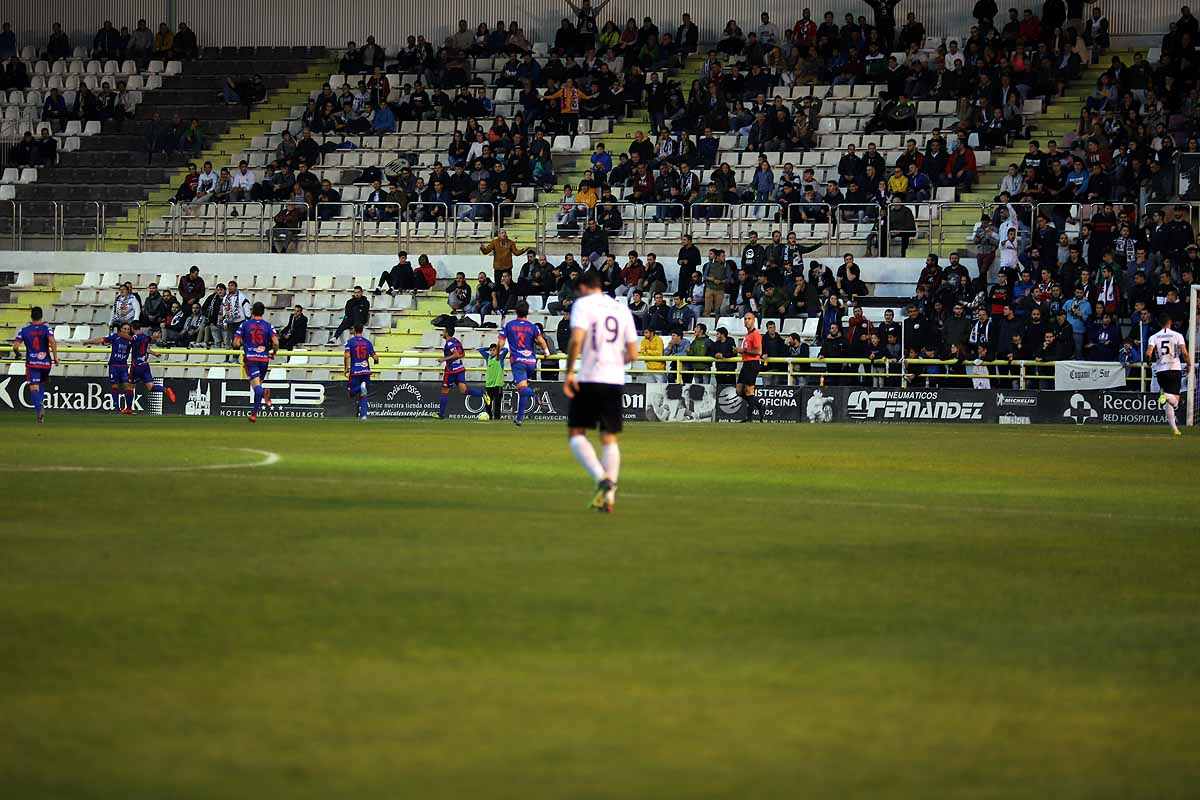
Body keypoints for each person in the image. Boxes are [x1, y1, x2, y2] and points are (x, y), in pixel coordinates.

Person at [562, 270, 638, 513]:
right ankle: (610, 499)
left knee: (576, 433)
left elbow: (576, 340)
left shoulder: (584, 305)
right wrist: (615, 362)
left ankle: (600, 477)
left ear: (583, 287)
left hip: (590, 377)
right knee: (609, 437)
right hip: (615, 379)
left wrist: (569, 372)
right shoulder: (621, 308)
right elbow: (633, 354)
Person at [498, 301, 549, 426]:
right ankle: (519, 418)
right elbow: (541, 341)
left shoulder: (509, 325)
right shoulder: (533, 327)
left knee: (522, 389)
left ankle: (534, 393)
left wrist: (498, 355)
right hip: (531, 362)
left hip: (518, 361)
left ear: (515, 311)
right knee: (523, 388)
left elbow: (500, 343)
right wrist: (546, 353)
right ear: (527, 312)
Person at [12, 307, 60, 424]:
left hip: (32, 363)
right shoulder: (47, 329)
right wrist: (55, 358)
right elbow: (52, 341)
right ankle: (41, 403)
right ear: (41, 316)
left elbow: (15, 346)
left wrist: (17, 354)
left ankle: (39, 408)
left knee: (34, 387)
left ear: (31, 316)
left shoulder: (23, 330)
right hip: (46, 363)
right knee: (42, 383)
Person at [1147, 313, 1192, 436]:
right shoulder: (1177, 335)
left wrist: (1149, 360)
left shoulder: (1154, 337)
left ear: (1159, 324)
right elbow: (1184, 352)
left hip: (1160, 371)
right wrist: (1189, 364)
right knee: (1175, 401)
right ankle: (1165, 395)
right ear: (1170, 322)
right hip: (1174, 368)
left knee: (1169, 404)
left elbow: (1149, 353)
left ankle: (1175, 429)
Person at [233, 302, 279, 423]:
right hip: (264, 359)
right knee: (257, 385)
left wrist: (246, 345)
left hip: (251, 359)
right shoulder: (268, 326)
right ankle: (255, 411)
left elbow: (236, 343)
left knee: (257, 387)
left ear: (252, 311)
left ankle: (256, 409)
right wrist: (273, 353)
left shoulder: (245, 325)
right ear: (263, 312)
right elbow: (276, 342)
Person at [435, 323, 487, 418]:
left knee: (445, 390)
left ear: (447, 333)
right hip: (460, 369)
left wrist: (444, 359)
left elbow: (456, 355)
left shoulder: (449, 343)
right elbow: (462, 354)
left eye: (444, 331)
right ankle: (482, 394)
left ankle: (441, 414)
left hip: (451, 371)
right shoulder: (456, 341)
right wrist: (454, 357)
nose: (442, 332)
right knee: (463, 390)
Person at [84, 323, 136, 414]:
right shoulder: (115, 336)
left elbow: (141, 347)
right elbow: (101, 339)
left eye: (128, 329)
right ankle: (117, 408)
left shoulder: (131, 340)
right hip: (114, 366)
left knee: (128, 386)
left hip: (123, 366)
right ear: (120, 330)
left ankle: (128, 408)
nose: (126, 331)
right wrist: (89, 342)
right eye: (124, 328)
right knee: (115, 386)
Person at [128, 321, 177, 408]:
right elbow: (146, 348)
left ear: (132, 328)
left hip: (136, 366)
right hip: (145, 365)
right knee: (151, 387)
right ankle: (166, 390)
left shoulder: (134, 338)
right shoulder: (145, 337)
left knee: (130, 387)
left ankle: (128, 409)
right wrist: (155, 353)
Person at [344, 325, 379, 421]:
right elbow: (376, 357)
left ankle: (360, 387)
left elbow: (347, 356)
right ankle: (363, 416)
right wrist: (376, 363)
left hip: (355, 371)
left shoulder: (350, 342)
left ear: (354, 330)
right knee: (364, 395)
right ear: (362, 330)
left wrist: (346, 368)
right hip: (365, 371)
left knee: (351, 392)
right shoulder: (368, 342)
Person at [736, 311, 764, 422]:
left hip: (752, 364)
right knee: (739, 390)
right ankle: (758, 405)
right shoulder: (747, 335)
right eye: (745, 319)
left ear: (754, 321)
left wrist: (743, 350)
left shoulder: (756, 334)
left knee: (749, 390)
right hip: (746, 363)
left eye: (749, 319)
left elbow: (758, 351)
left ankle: (749, 418)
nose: (747, 321)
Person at [478, 342, 508, 420]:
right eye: (491, 350)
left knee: (497, 403)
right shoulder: (488, 357)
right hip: (489, 384)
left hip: (498, 384)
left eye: (494, 350)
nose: (492, 352)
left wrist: (499, 349)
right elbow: (480, 350)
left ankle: (497, 418)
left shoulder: (500, 357)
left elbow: (506, 350)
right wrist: (488, 348)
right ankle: (489, 417)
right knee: (488, 403)